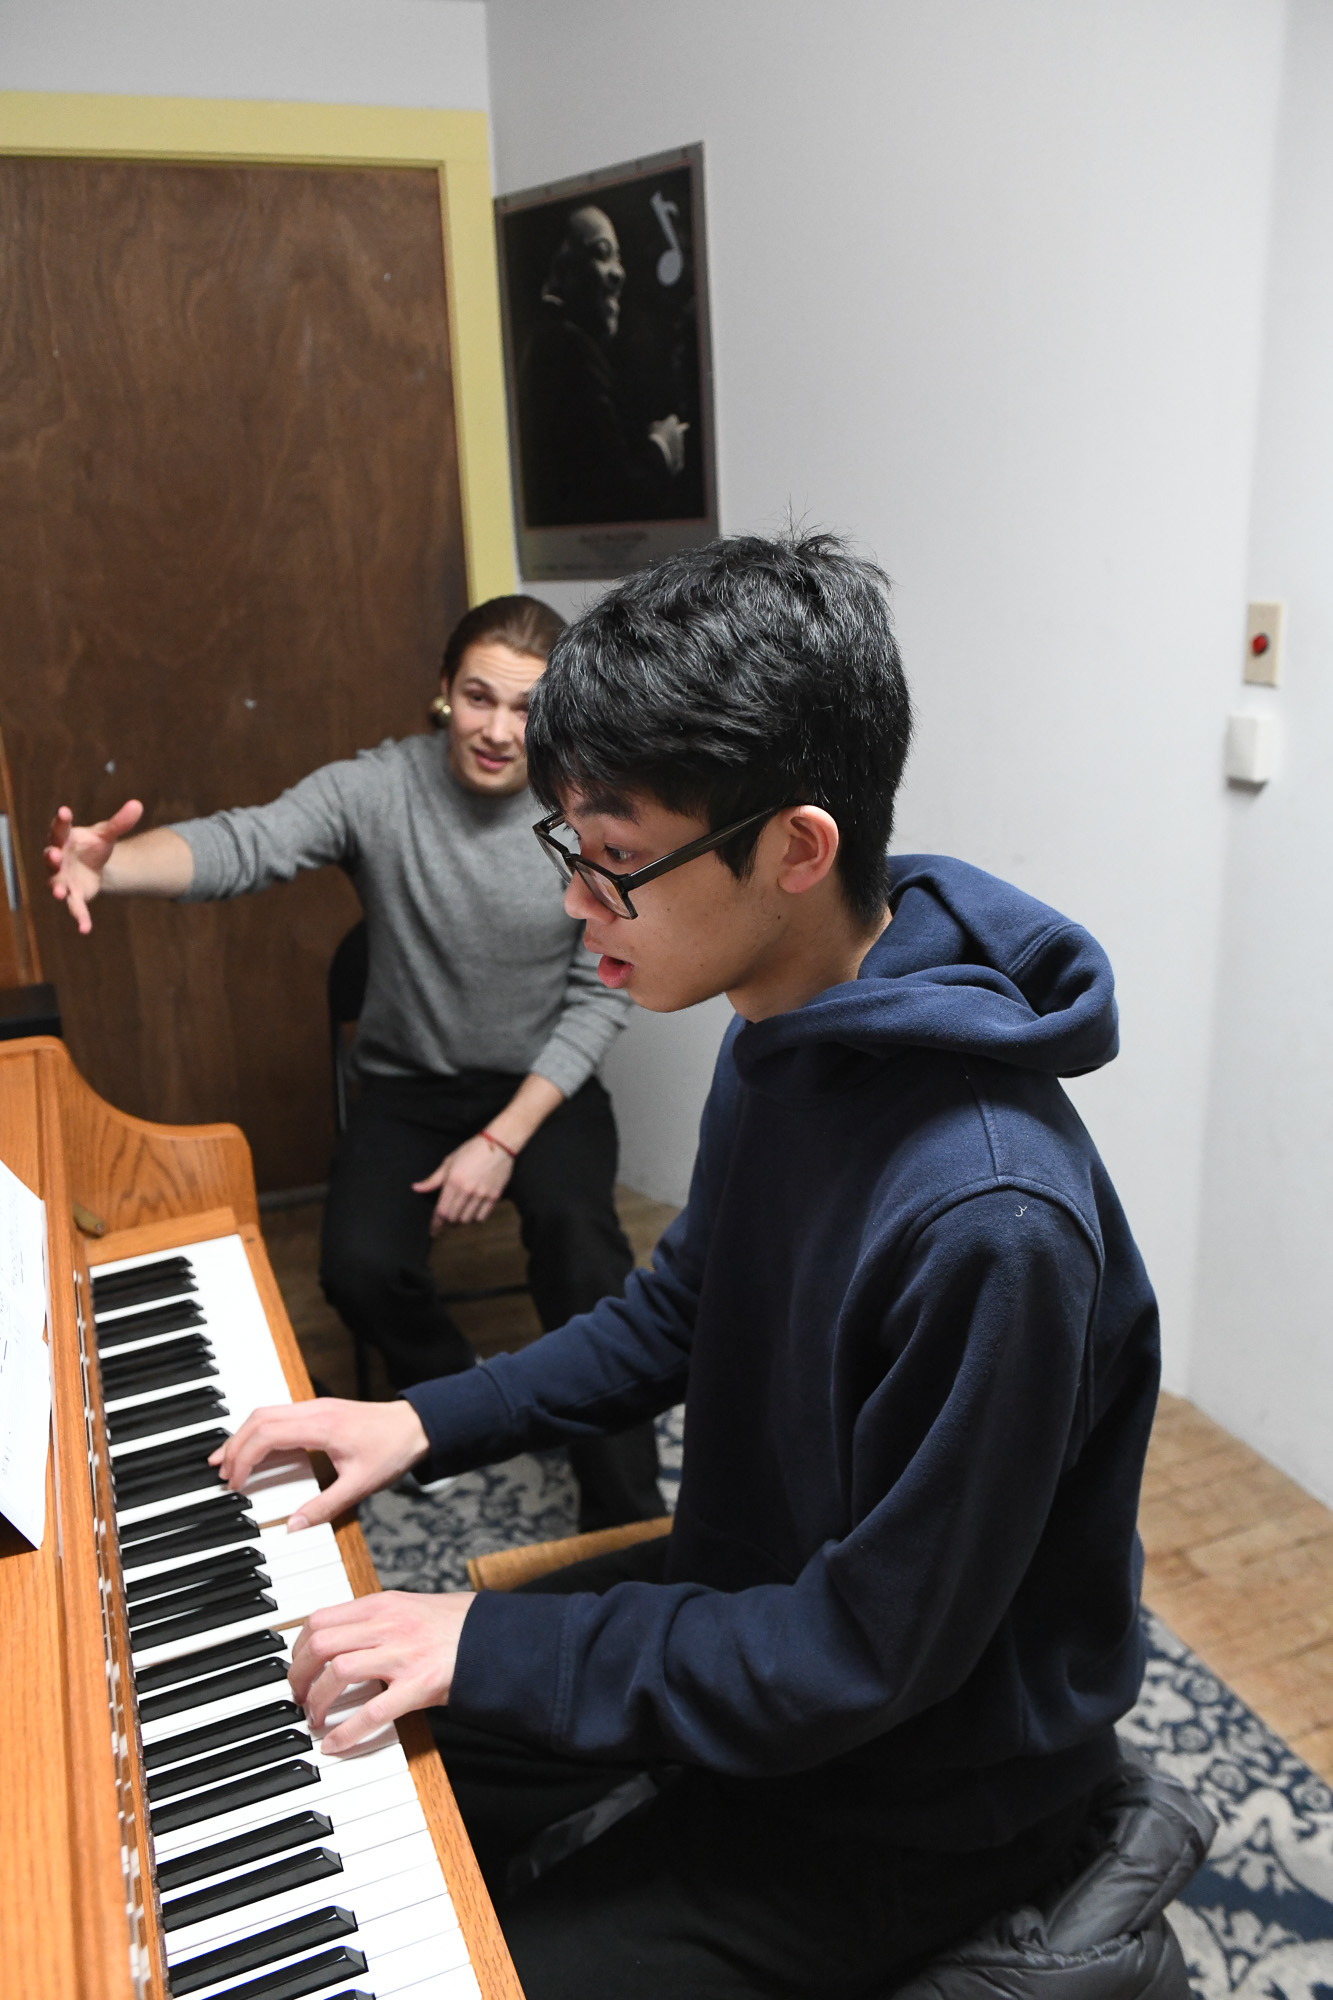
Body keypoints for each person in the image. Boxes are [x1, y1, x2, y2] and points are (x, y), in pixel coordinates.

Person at [215, 534, 1163, 1999]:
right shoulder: (784, 1021)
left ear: (796, 849)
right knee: (316, 1713)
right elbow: (678, 1311)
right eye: (570, 850)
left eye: (615, 860)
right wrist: (416, 1420)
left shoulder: (993, 1220)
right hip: (747, 1614)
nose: (576, 904)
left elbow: (863, 1654)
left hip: (909, 1790)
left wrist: (493, 1643)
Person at [45, 594, 663, 1532]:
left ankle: (624, 1518)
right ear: (443, 691)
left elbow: (600, 997)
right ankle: (453, 1403)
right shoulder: (379, 787)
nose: (499, 731)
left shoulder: (584, 810)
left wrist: (500, 1141)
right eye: (479, 697)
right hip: (408, 1083)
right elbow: (247, 841)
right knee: (359, 1268)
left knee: (584, 1253)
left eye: (527, 708)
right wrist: (112, 865)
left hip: (540, 1081)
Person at [518, 204, 690, 526]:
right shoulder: (568, 350)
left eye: (618, 258)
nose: (619, 273)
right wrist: (662, 449)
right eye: (601, 253)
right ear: (559, 269)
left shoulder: (547, 341)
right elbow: (614, 497)